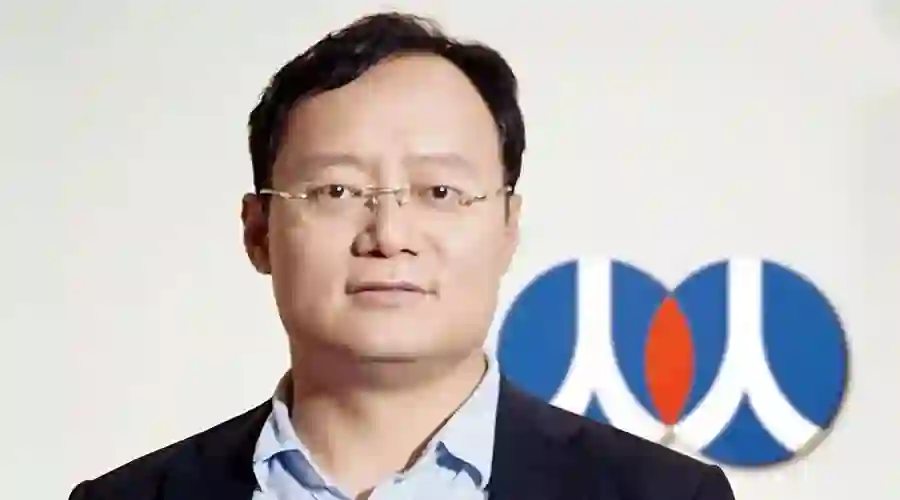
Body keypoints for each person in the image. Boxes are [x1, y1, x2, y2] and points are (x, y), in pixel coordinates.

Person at [69, 11, 735, 500]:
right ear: (258, 231)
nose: (389, 234)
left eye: (439, 192)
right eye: (336, 190)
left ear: (508, 227)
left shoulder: (665, 498)